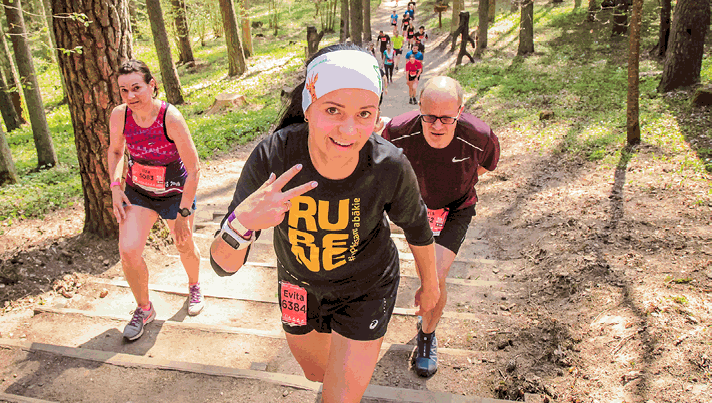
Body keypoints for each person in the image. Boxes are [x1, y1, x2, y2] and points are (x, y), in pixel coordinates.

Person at [209, 44, 440, 403]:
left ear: (378, 116)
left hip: (367, 288)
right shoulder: (275, 156)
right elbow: (222, 266)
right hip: (298, 287)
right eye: (333, 110)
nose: (348, 129)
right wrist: (243, 223)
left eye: (364, 114)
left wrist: (431, 285)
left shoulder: (388, 165)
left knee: (339, 396)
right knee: (316, 373)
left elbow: (417, 225)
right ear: (308, 106)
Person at [381, 76, 500, 377]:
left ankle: (427, 335)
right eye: (429, 117)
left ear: (461, 111)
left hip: (455, 209)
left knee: (435, 273)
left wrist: (456, 183)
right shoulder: (396, 131)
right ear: (418, 106)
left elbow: (485, 166)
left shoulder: (480, 136)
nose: (436, 126)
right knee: (421, 270)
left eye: (446, 118)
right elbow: (380, 166)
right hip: (414, 209)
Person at [107, 60, 203, 341]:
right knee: (128, 251)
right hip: (138, 192)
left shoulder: (170, 118)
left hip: (175, 193)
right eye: (124, 91)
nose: (130, 96)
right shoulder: (120, 116)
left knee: (184, 244)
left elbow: (195, 168)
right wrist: (115, 185)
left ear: (152, 85)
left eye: (136, 88)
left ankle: (195, 285)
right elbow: (115, 152)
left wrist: (184, 212)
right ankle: (144, 308)